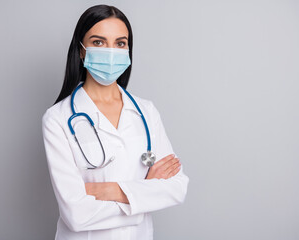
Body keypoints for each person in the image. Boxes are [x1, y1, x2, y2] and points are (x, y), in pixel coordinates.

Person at [42, 4, 189, 240]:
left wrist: (114, 190)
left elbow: (177, 187)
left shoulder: (146, 111)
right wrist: (142, 196)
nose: (111, 52)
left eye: (120, 43)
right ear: (81, 50)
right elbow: (76, 214)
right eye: (99, 42)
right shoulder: (58, 118)